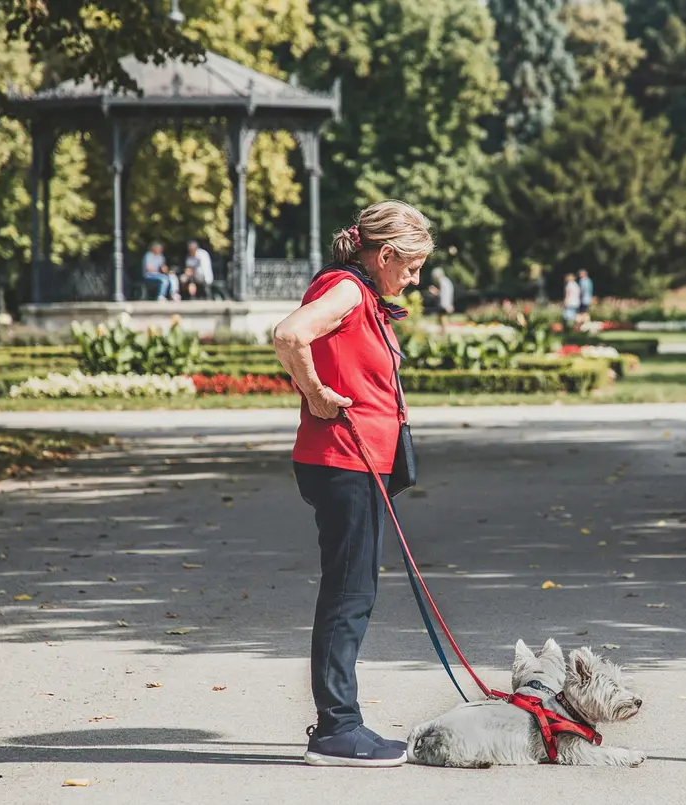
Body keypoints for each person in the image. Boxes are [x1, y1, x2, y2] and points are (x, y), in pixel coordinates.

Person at [272, 199, 434, 768]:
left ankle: (340, 722)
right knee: (350, 594)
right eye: (410, 267)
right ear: (384, 254)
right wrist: (316, 394)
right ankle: (338, 728)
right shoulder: (344, 289)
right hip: (344, 460)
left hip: (354, 461)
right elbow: (290, 335)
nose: (414, 280)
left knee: (353, 588)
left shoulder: (363, 294)